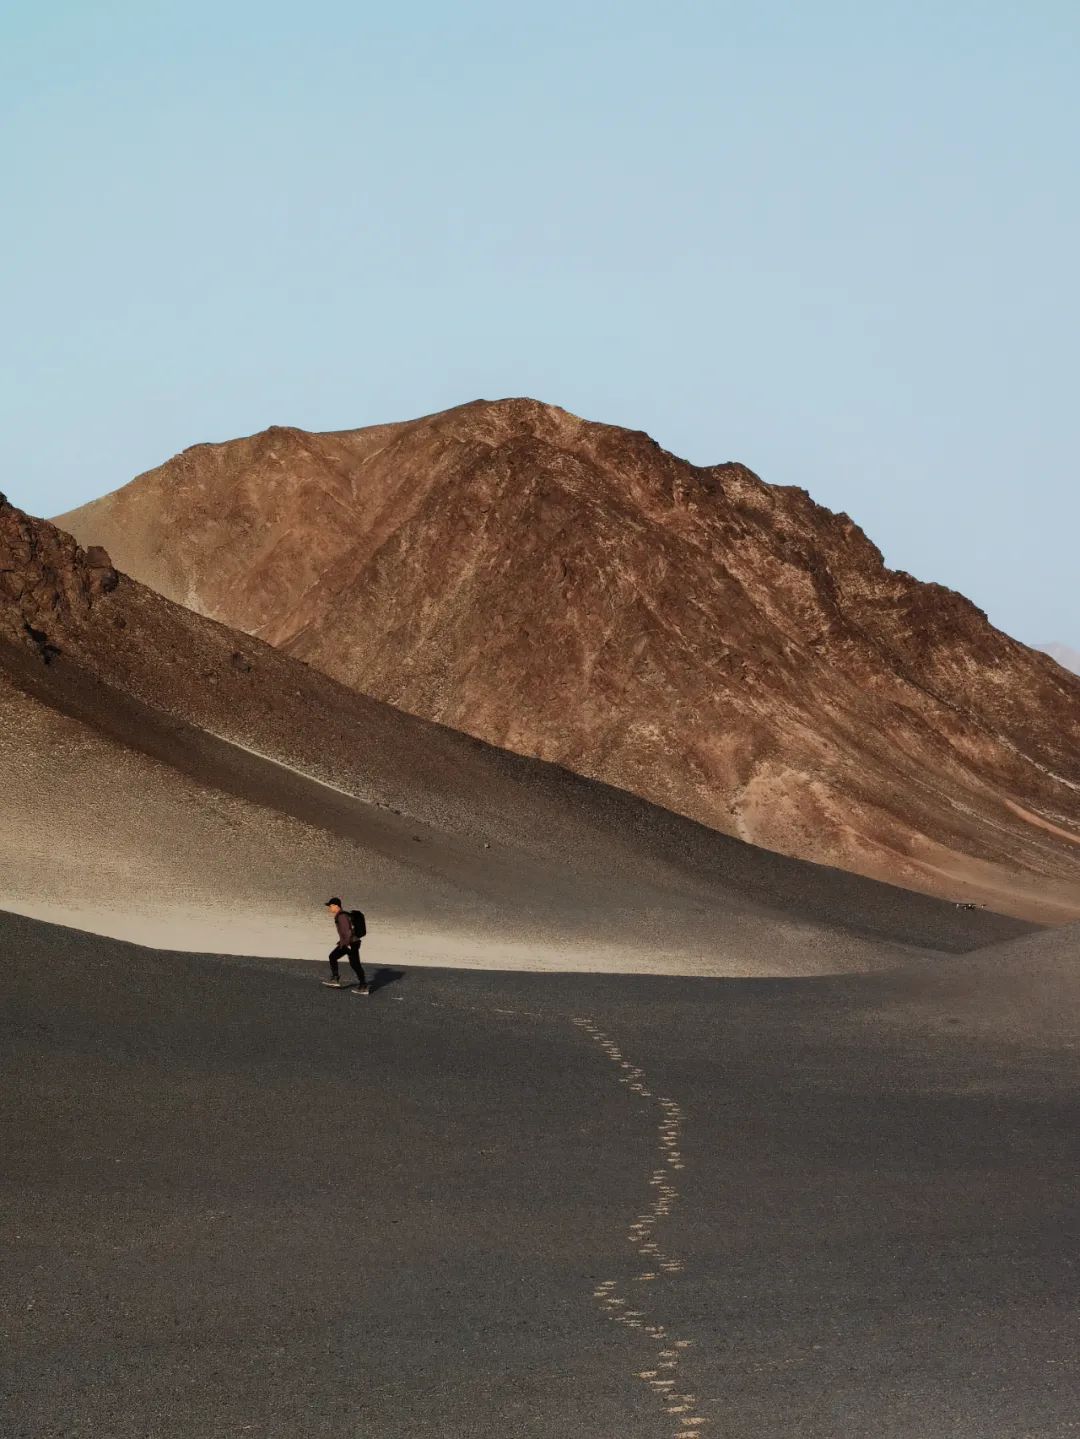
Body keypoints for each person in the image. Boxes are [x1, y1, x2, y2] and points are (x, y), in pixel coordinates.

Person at [322, 898, 369, 994]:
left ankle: (337, 979)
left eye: (331, 906)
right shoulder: (342, 915)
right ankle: (362, 985)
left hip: (350, 943)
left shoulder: (341, 916)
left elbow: (347, 931)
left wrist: (345, 944)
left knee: (335, 957)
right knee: (354, 964)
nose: (330, 908)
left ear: (336, 906)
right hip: (352, 942)